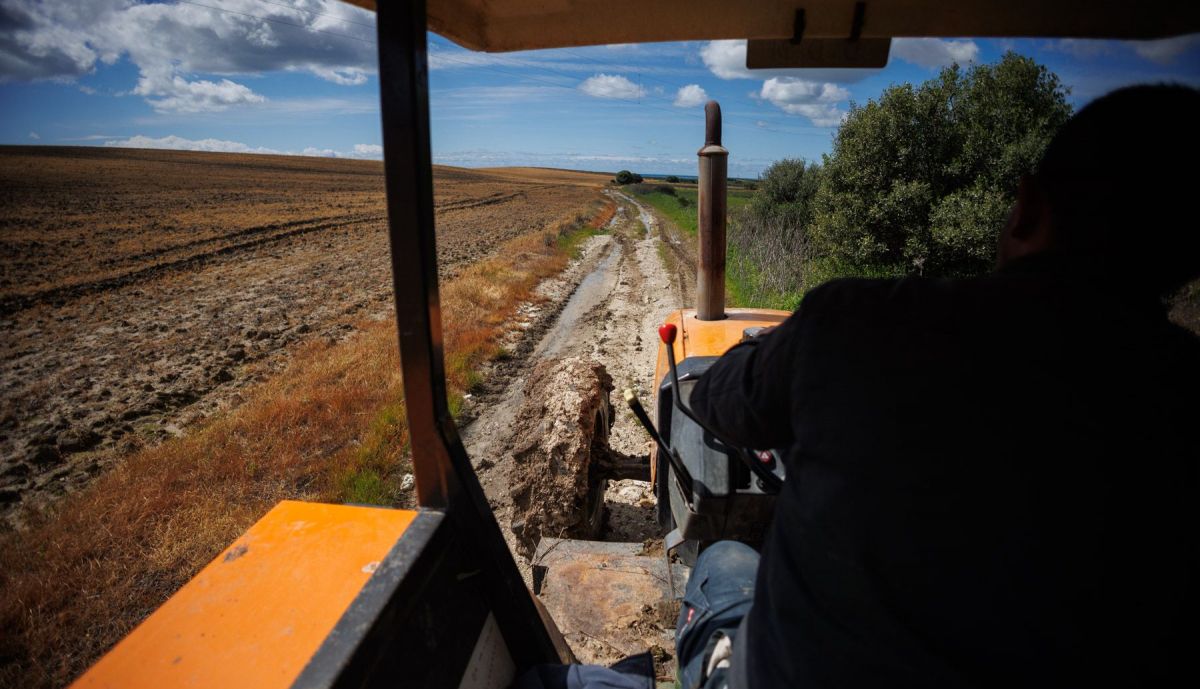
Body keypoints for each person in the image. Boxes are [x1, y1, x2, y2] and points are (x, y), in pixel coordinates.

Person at [679, 84, 1200, 688]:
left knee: (725, 562)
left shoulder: (856, 321)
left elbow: (715, 402)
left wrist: (765, 356)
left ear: (1027, 208)